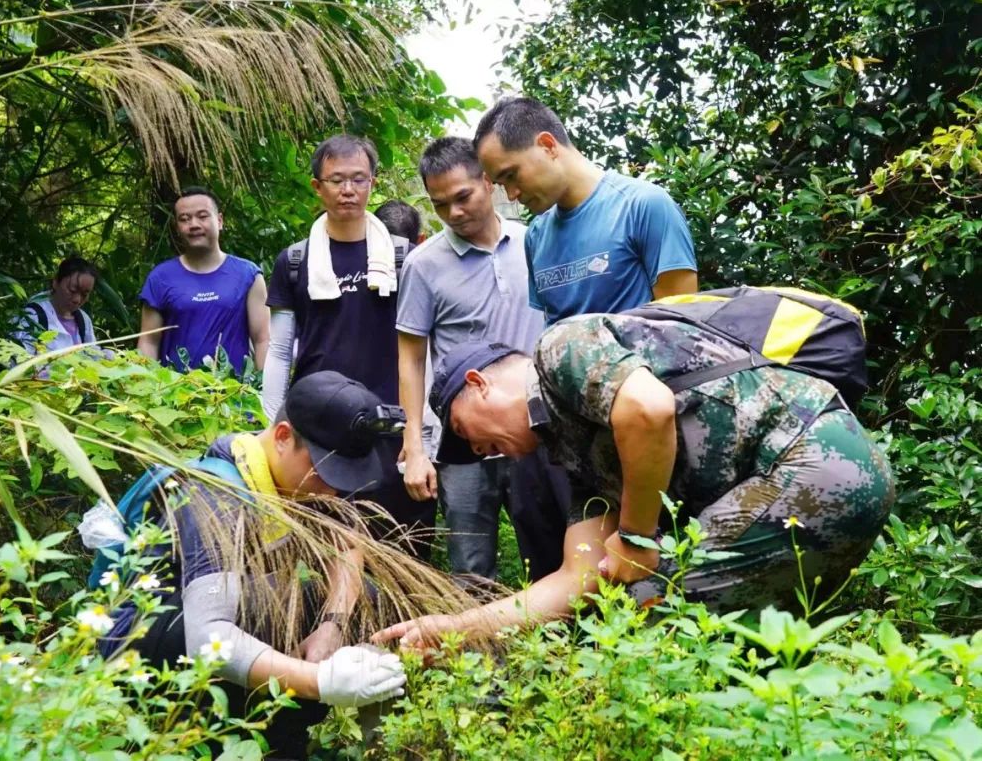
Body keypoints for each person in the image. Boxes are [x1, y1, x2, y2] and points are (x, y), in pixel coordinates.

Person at [374, 315, 895, 648]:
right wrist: (455, 629)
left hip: (812, 461)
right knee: (647, 613)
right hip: (797, 481)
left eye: (468, 433)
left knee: (640, 613)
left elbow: (648, 408)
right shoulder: (571, 452)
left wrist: (639, 538)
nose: (482, 453)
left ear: (479, 384)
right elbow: (576, 580)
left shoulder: (561, 350)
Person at [99, 371, 408, 755]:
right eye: (328, 474)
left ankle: (293, 734)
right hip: (141, 646)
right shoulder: (217, 496)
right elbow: (210, 639)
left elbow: (347, 541)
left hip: (213, 624)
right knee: (269, 607)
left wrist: (333, 624)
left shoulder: (294, 478)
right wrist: (321, 681)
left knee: (368, 599)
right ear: (282, 438)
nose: (333, 490)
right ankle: (221, 735)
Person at [396, 137, 570, 583]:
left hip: (535, 426)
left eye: (463, 197)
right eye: (440, 205)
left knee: (553, 549)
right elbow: (411, 358)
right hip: (462, 437)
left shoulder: (537, 242)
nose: (454, 212)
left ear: (488, 183)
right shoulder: (423, 265)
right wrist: (415, 445)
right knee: (470, 567)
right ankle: (475, 649)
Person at [264, 135, 435, 559]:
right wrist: (272, 424)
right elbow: (280, 350)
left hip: (392, 425)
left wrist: (423, 433)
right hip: (319, 429)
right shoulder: (295, 261)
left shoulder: (402, 258)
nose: (348, 190)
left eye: (358, 179)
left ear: (373, 183)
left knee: (403, 548)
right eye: (336, 179)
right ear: (316, 186)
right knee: (324, 551)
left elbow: (420, 349)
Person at [473, 96, 699, 324]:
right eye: (502, 184)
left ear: (548, 146)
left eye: (512, 175)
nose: (512, 195)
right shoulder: (536, 235)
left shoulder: (643, 206)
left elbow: (681, 328)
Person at [138, 187, 270, 378]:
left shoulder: (248, 275)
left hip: (234, 397)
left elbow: (263, 339)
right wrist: (147, 390)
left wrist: (265, 393)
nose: (194, 224)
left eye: (202, 216)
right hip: (174, 396)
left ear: (220, 221)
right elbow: (149, 341)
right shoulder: (160, 278)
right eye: (184, 219)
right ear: (177, 227)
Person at [13, 256, 99, 355]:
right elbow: (17, 360)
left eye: (84, 294)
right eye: (72, 290)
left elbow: (92, 355)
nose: (77, 299)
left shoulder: (83, 320)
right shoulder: (32, 316)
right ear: (56, 282)